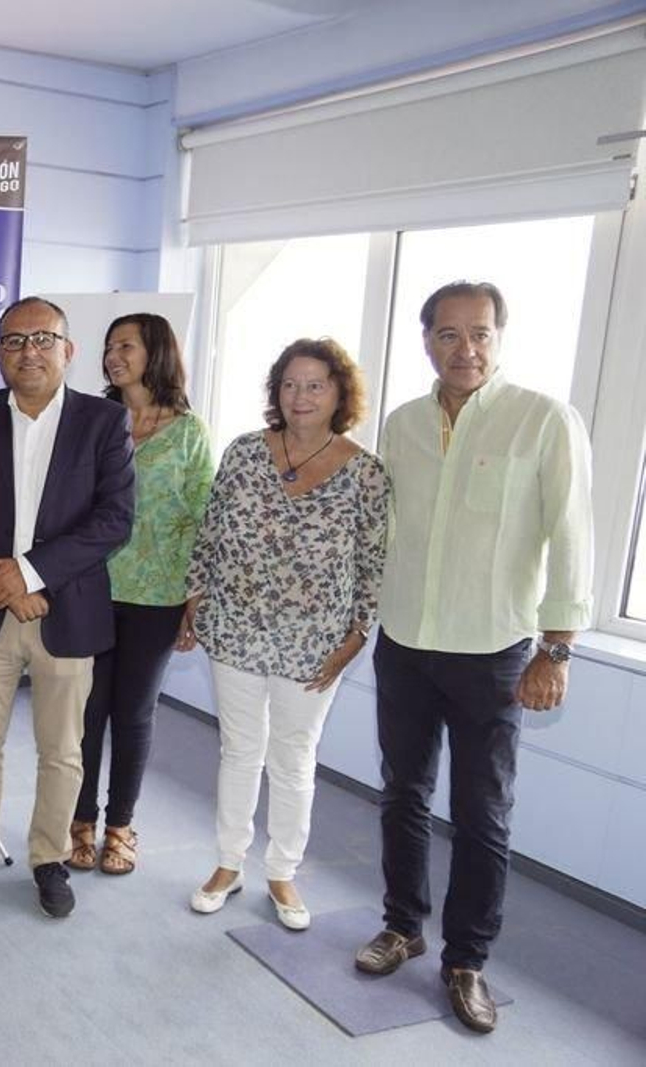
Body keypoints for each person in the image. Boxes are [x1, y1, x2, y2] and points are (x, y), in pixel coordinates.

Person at [354, 281, 593, 1034]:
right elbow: (382, 531)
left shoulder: (543, 420)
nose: (467, 349)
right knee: (401, 792)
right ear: (426, 340)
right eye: (450, 334)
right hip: (405, 645)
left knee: (482, 811)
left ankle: (466, 960)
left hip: (493, 651)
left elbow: (574, 535)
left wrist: (556, 648)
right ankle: (403, 923)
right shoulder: (401, 424)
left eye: (481, 333)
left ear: (499, 338)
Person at [0, 296, 136, 919]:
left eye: (43, 339)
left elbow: (114, 520)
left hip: (65, 609)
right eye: (15, 341)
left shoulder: (104, 423)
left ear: (68, 351)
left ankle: (49, 857)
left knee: (62, 748)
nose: (29, 352)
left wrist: (30, 571)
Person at [178, 337, 387, 931]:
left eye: (316, 384)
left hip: (316, 641)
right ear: (276, 391)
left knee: (293, 759)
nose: (301, 396)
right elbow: (211, 530)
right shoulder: (245, 452)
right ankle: (227, 863)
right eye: (290, 384)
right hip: (236, 626)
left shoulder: (366, 472)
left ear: (340, 393)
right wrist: (195, 598)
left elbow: (374, 563)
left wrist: (356, 634)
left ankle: (282, 871)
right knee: (240, 750)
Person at [69, 312, 212, 877]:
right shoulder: (92, 421)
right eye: (108, 347)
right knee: (87, 709)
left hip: (158, 595)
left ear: (156, 352)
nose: (112, 356)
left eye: (124, 345)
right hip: (89, 587)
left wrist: (195, 600)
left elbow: (205, 517)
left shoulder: (190, 433)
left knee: (133, 713)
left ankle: (120, 826)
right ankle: (79, 820)